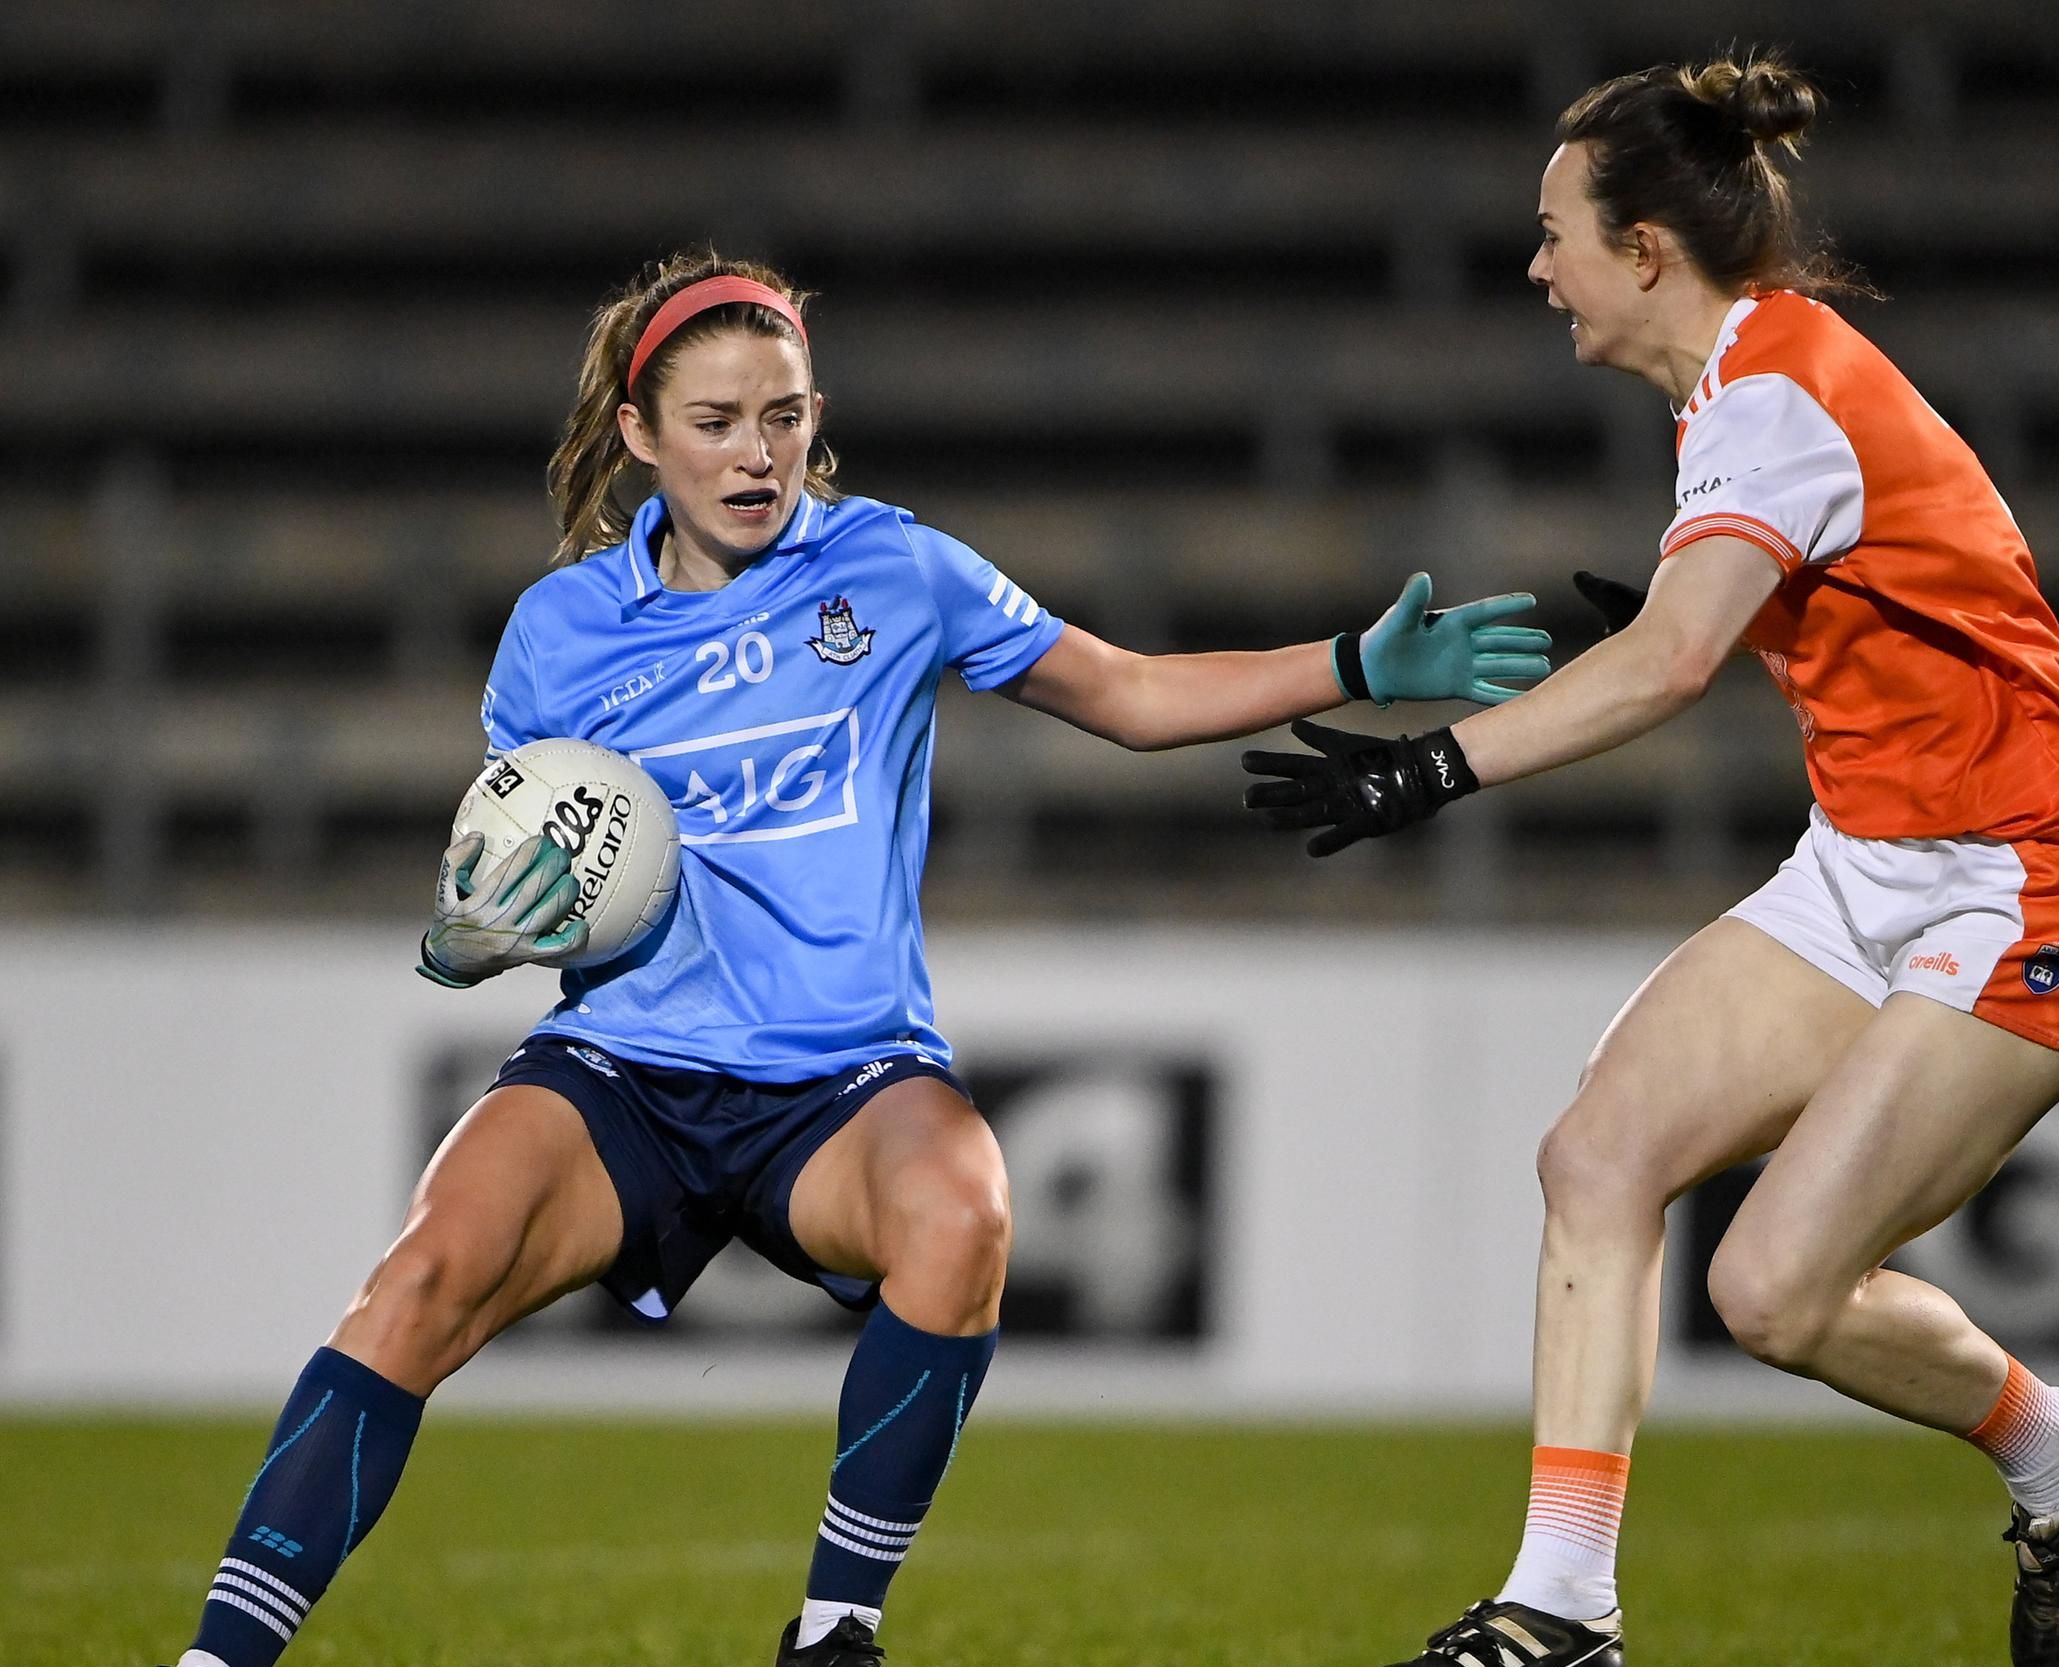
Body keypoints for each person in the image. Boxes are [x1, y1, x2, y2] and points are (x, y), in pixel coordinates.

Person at [165, 249, 1552, 1667]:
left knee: (964, 1211)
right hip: (622, 1070)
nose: (757, 454)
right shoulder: (555, 632)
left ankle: (834, 1636)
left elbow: (1126, 694)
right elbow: (538, 868)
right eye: (715, 422)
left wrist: (1357, 666)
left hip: (842, 1077)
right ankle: (220, 1661)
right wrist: (464, 944)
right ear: (641, 434)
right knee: (417, 1280)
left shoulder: (894, 567)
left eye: (785, 415)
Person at [1244, 53, 2059, 1667]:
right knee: (1595, 1158)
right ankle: (1562, 1608)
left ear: (1647, 249)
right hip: (1868, 863)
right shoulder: (1748, 386)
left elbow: (1671, 661)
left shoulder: (1770, 392)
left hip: (2030, 875)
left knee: (1775, 1298)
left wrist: (1433, 768)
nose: (1539, 269)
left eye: (1556, 235)